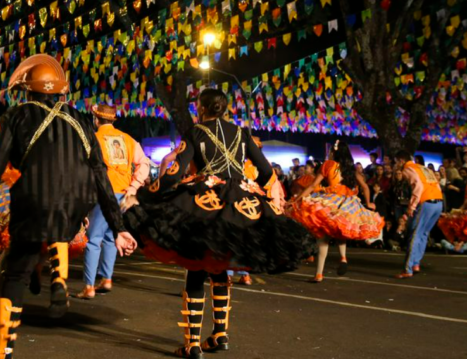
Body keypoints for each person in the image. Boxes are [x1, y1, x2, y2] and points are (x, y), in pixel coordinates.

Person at [0, 54, 137, 359]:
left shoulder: (15, 116)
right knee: (58, 232)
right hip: (75, 208)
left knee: (15, 273)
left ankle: (4, 351)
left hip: (34, 203)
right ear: (62, 92)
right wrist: (119, 228)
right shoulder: (79, 120)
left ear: (27, 90)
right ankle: (58, 279)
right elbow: (101, 176)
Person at [124, 89, 313, 358]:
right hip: (239, 203)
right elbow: (268, 172)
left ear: (201, 108)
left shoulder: (196, 132)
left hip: (205, 201)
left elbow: (173, 173)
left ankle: (192, 345)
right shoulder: (242, 133)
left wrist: (142, 194)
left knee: (197, 264)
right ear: (223, 109)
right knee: (221, 261)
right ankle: (220, 334)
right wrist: (249, 188)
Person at [74, 104, 150, 299]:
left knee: (93, 239)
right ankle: (106, 279)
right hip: (125, 195)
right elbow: (144, 163)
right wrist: (133, 187)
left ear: (96, 120)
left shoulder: (93, 139)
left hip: (103, 194)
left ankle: (89, 287)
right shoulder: (128, 140)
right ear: (113, 120)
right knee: (111, 235)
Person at [289, 139, 384, 282]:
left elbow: (313, 185)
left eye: (330, 151)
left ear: (333, 152)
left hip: (330, 200)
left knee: (323, 238)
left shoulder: (328, 165)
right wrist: (369, 202)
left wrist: (297, 199)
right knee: (342, 230)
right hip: (348, 203)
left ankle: (319, 274)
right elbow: (364, 187)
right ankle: (343, 258)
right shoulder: (350, 168)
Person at [395, 152, 443, 279]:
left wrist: (412, 206)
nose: (396, 165)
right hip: (438, 201)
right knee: (424, 233)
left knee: (415, 234)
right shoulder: (424, 168)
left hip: (425, 202)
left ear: (401, 160)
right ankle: (416, 263)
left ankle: (408, 268)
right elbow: (436, 184)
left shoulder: (408, 169)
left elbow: (418, 186)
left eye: (396, 162)